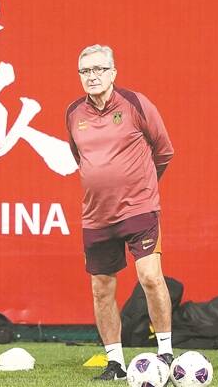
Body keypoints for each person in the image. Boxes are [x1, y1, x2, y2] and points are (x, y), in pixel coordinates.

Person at [65, 44, 175, 381]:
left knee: (150, 278)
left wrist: (144, 188)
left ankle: (166, 354)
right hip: (96, 216)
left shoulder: (135, 104)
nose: (92, 76)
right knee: (101, 289)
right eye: (86, 71)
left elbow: (164, 150)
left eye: (99, 69)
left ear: (113, 72)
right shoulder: (74, 113)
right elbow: (81, 159)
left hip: (140, 209)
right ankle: (115, 363)